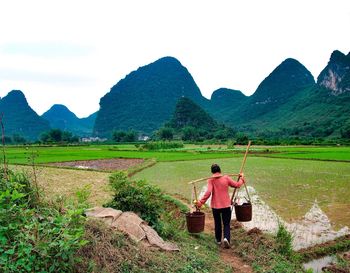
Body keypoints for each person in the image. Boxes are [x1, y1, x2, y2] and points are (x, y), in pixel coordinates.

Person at [195, 163, 245, 248]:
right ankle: (226, 239)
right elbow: (237, 185)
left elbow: (208, 192)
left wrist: (201, 202)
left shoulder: (211, 180)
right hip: (226, 205)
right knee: (226, 224)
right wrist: (242, 178)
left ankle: (218, 240)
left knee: (217, 223)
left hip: (216, 207)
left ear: (212, 172)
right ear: (220, 170)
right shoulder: (226, 178)